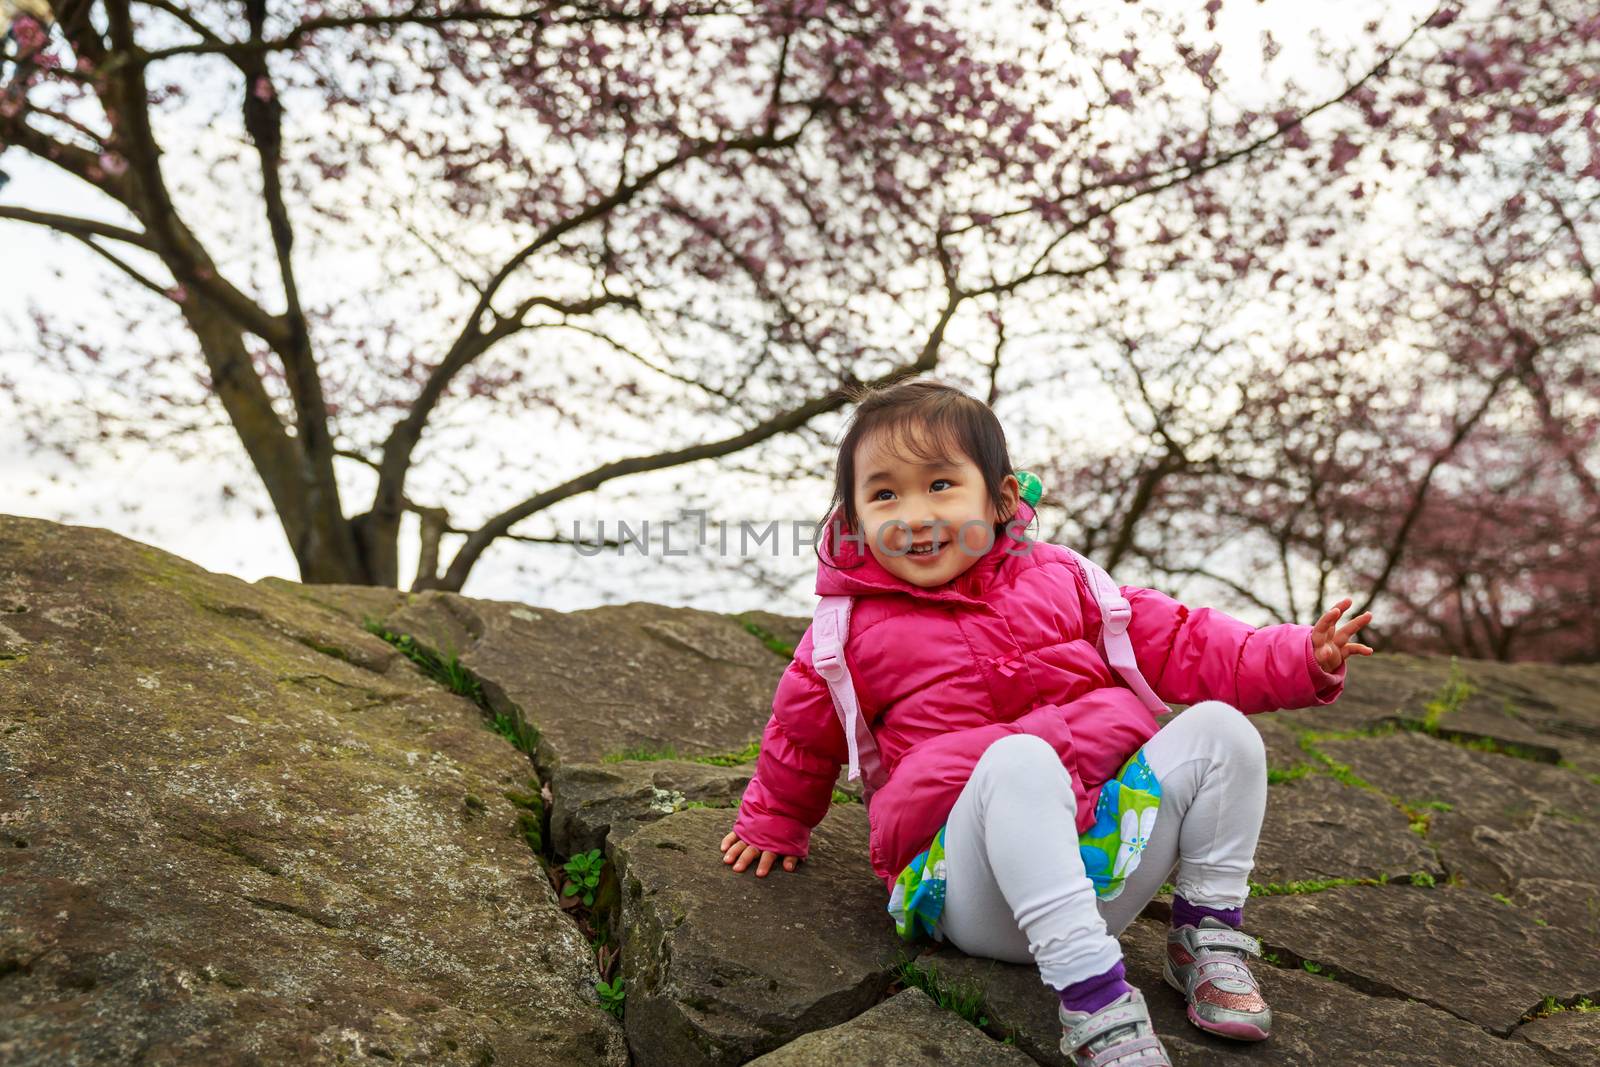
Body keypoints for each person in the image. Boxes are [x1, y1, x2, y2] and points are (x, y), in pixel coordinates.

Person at [715, 377, 1373, 1065]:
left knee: (1221, 730)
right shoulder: (849, 629)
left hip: (1105, 864)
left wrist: (1304, 654)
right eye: (884, 494)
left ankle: (1204, 934)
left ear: (1000, 498)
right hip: (971, 891)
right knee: (1020, 759)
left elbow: (1184, 640)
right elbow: (802, 730)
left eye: (940, 484)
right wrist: (774, 821)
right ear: (851, 517)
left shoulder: (1066, 579)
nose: (912, 513)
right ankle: (1098, 1007)